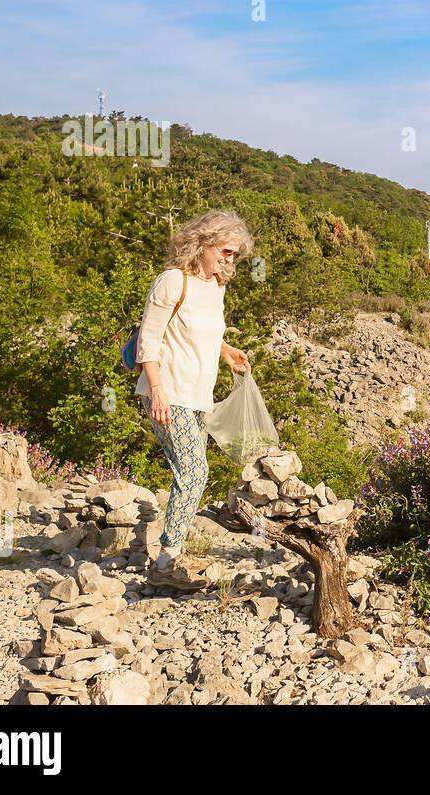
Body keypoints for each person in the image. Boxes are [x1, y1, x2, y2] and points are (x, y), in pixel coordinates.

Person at [135, 209, 253, 589]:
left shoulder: (216, 286)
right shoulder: (173, 281)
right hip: (168, 393)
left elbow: (202, 331)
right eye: (225, 251)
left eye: (234, 254)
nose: (229, 259)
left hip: (199, 397)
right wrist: (156, 389)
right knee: (194, 471)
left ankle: (169, 558)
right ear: (202, 244)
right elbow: (148, 339)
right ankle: (166, 563)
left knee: (189, 472)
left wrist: (227, 350)